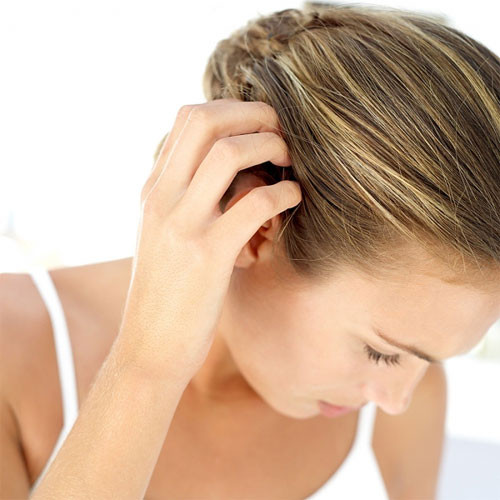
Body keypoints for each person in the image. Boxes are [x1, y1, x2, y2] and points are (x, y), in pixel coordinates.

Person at [1, 2, 499, 499]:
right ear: (256, 228)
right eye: (380, 352)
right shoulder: (12, 355)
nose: (395, 400)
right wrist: (147, 367)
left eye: (428, 358)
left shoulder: (406, 406)